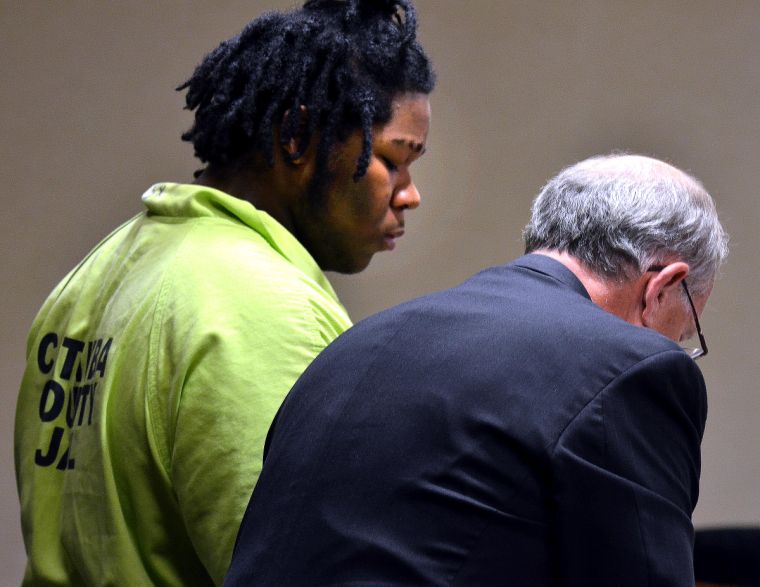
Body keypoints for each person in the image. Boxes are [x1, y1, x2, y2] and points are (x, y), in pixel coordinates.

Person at [14, 1, 434, 584]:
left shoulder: (98, 271)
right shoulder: (264, 306)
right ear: (297, 138)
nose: (410, 194)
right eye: (393, 159)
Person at [225, 153, 729, 586]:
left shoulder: (357, 344)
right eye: (685, 332)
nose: (672, 346)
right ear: (664, 285)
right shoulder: (631, 368)